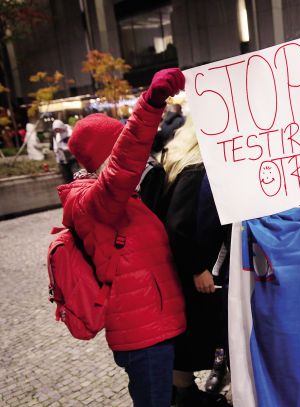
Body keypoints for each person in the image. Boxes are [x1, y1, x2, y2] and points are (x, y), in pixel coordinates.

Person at [59, 68, 186, 406]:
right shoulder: (94, 202)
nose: (142, 155)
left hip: (151, 327)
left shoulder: (119, 199)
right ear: (108, 156)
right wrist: (150, 104)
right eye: (119, 146)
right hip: (142, 334)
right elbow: (123, 165)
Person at [157, 115, 229, 406]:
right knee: (190, 334)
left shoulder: (186, 162)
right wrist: (198, 268)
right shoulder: (196, 168)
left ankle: (184, 392)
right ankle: (184, 395)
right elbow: (177, 226)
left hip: (188, 268)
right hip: (196, 270)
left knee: (188, 332)